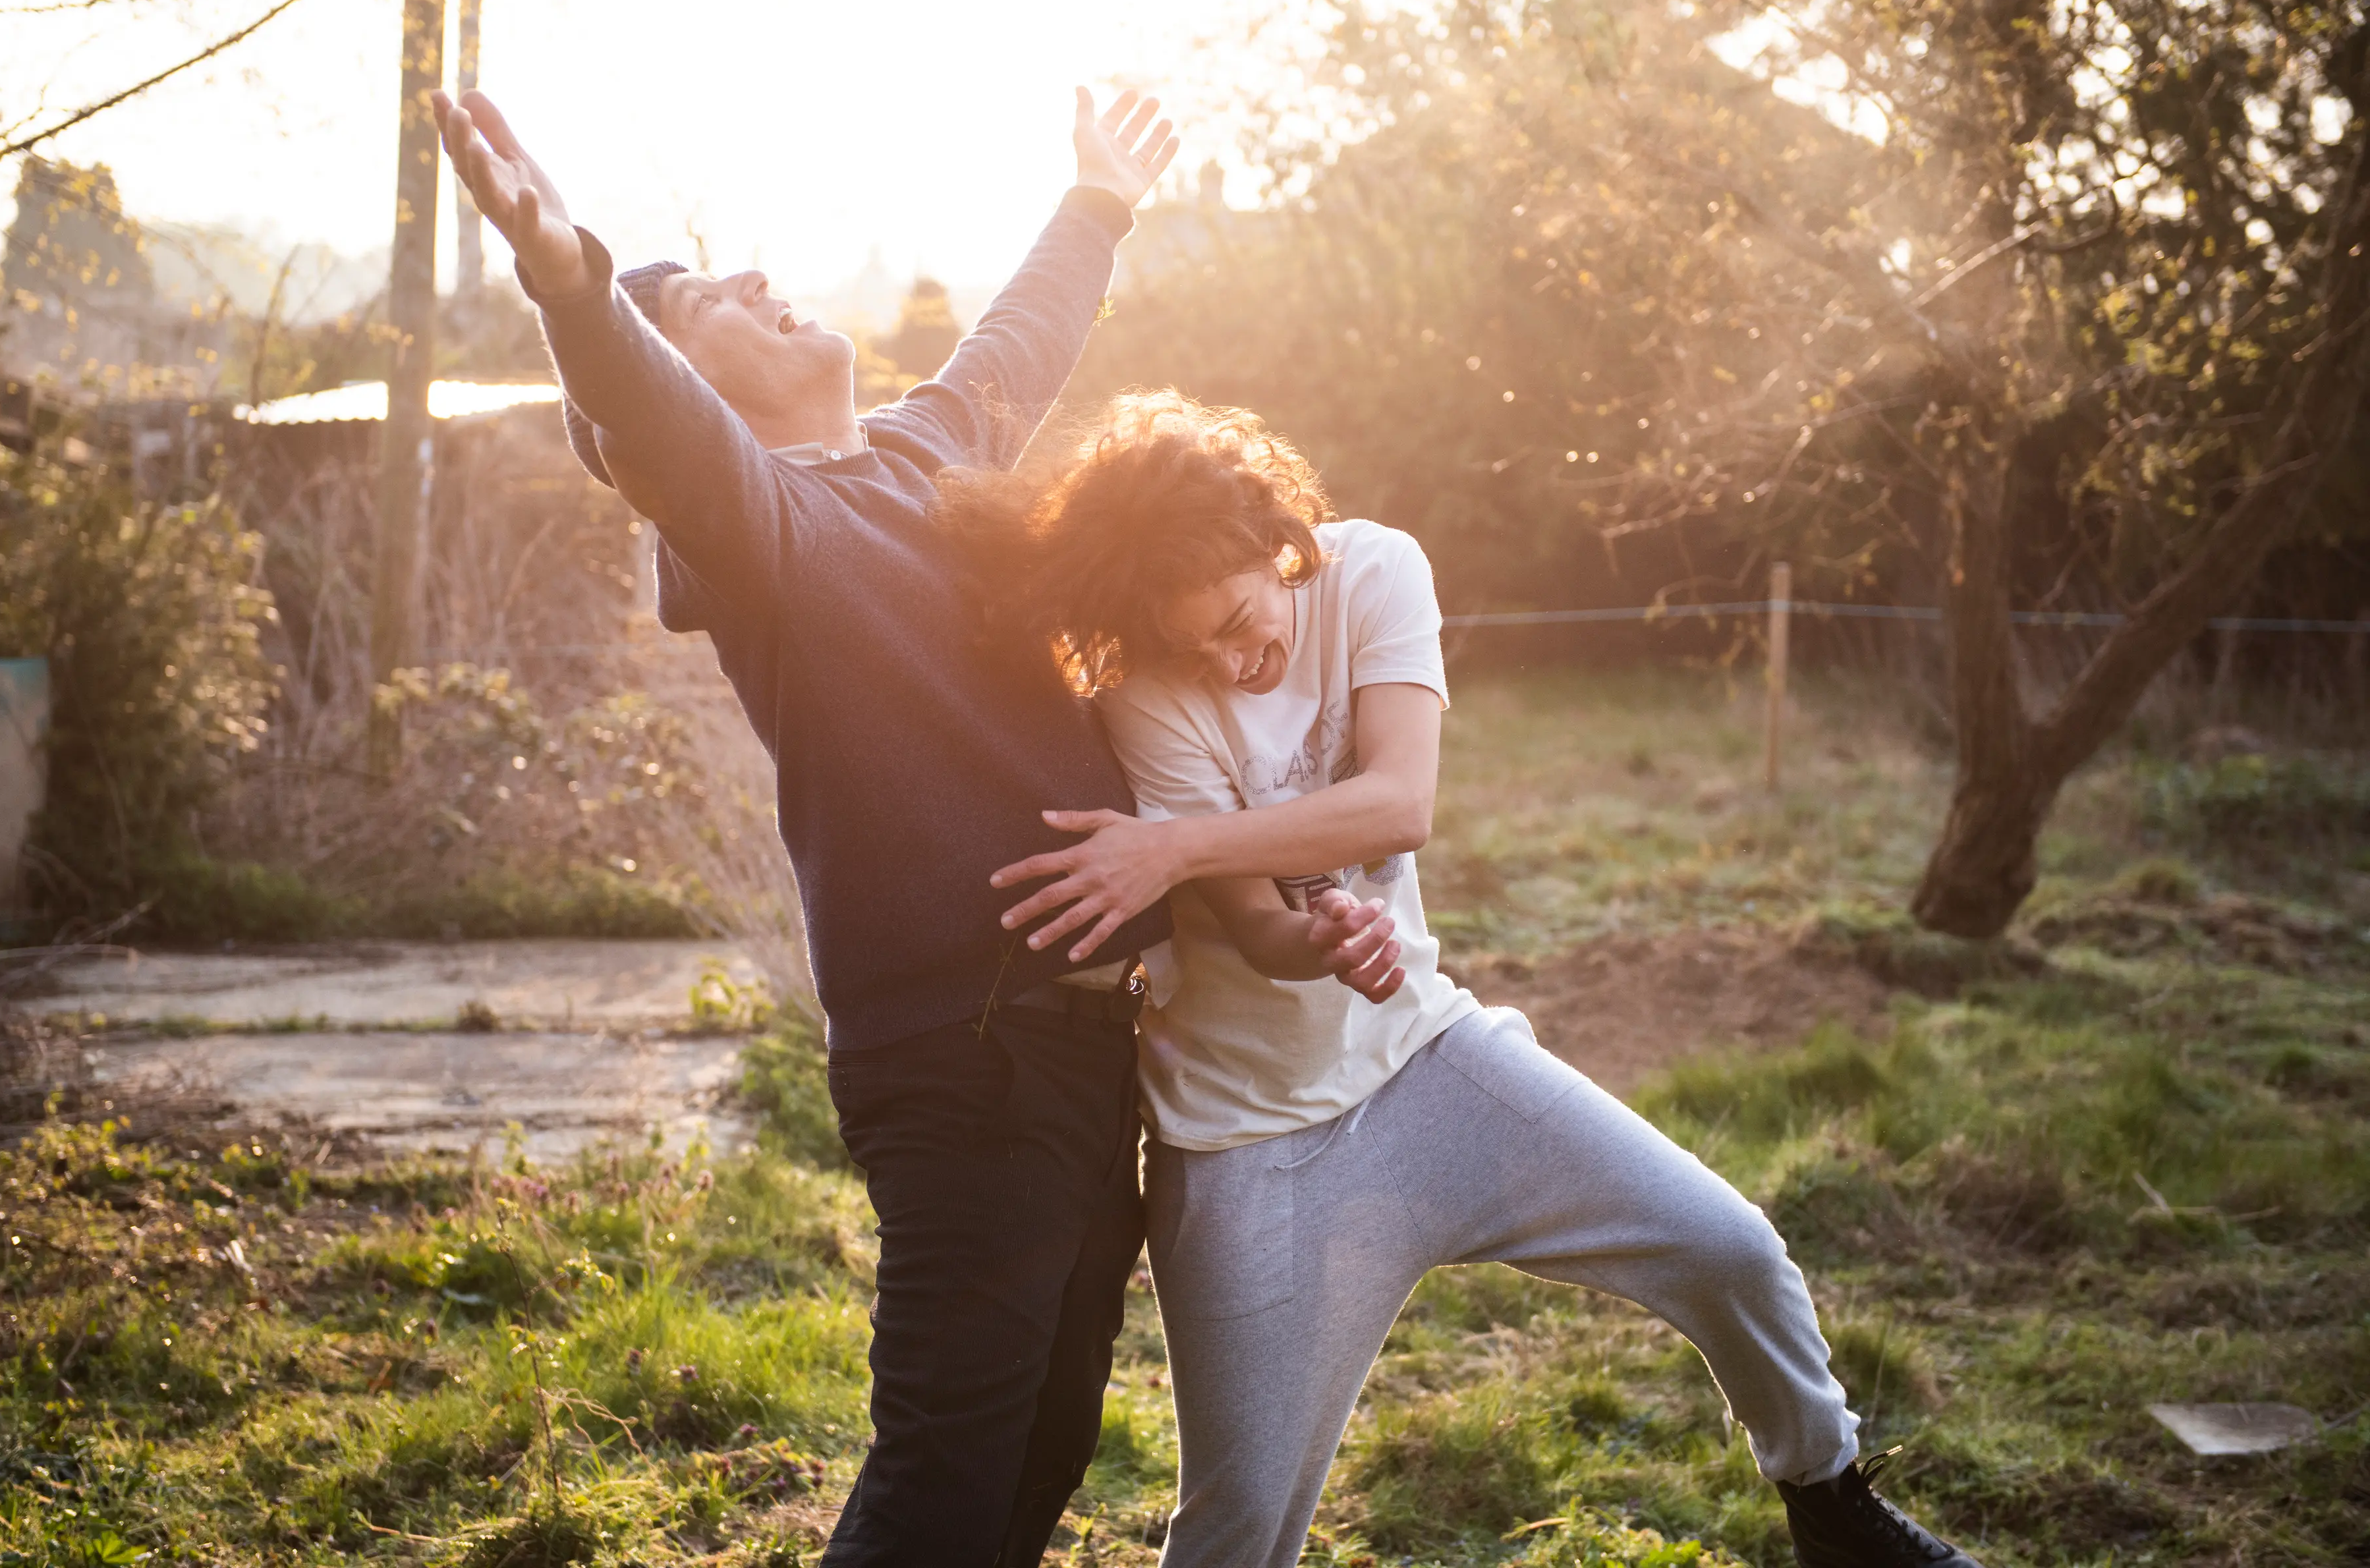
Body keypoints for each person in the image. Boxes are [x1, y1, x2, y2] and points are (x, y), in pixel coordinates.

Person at [953, 391, 1987, 1568]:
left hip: (1426, 1061)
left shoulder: (1375, 572)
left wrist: (1175, 848)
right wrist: (1324, 933)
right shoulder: (1146, 694)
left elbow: (1404, 802)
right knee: (1238, 1530)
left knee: (1729, 1248)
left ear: (1275, 538)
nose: (1232, 663)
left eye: (1240, 620)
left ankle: (1834, 1506)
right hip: (1250, 1144)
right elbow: (1255, 934)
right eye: (1196, 649)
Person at [434, 86, 1227, 1568]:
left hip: (1084, 1049)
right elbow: (656, 428)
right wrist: (578, 288)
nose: (747, 280)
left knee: (1043, 1445)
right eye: (699, 309)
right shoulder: (766, 533)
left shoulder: (928, 457)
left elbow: (1021, 338)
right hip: (970, 1060)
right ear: (689, 399)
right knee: (943, 1477)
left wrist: (1099, 202)